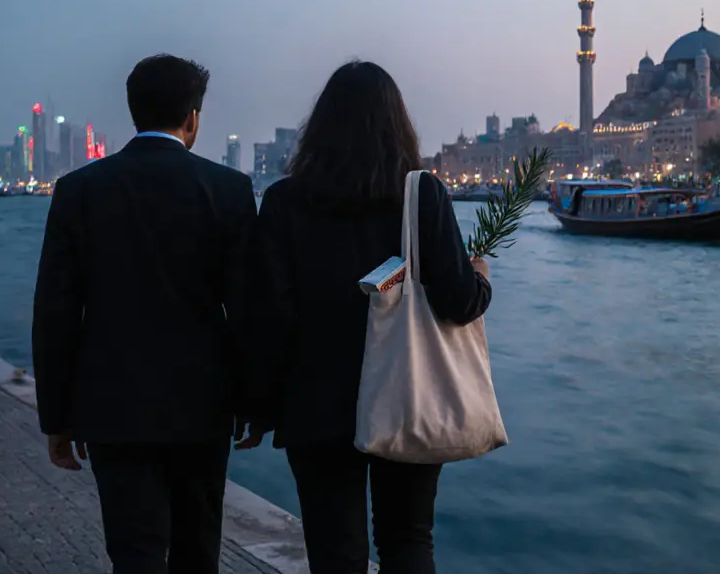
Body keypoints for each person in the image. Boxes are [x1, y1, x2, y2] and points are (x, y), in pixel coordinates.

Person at [238, 61, 491, 574]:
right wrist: (480, 276)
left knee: (335, 554)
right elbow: (459, 303)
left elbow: (268, 315)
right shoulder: (421, 195)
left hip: (315, 405)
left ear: (321, 126)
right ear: (398, 123)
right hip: (407, 390)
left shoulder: (286, 201)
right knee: (408, 540)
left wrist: (258, 407)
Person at [32, 54, 257, 573]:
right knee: (198, 552)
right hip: (203, 408)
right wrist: (254, 402)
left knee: (133, 554)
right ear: (193, 118)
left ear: (133, 112)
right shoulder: (229, 191)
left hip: (112, 408)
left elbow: (56, 312)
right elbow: (248, 308)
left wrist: (57, 417)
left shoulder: (79, 191)